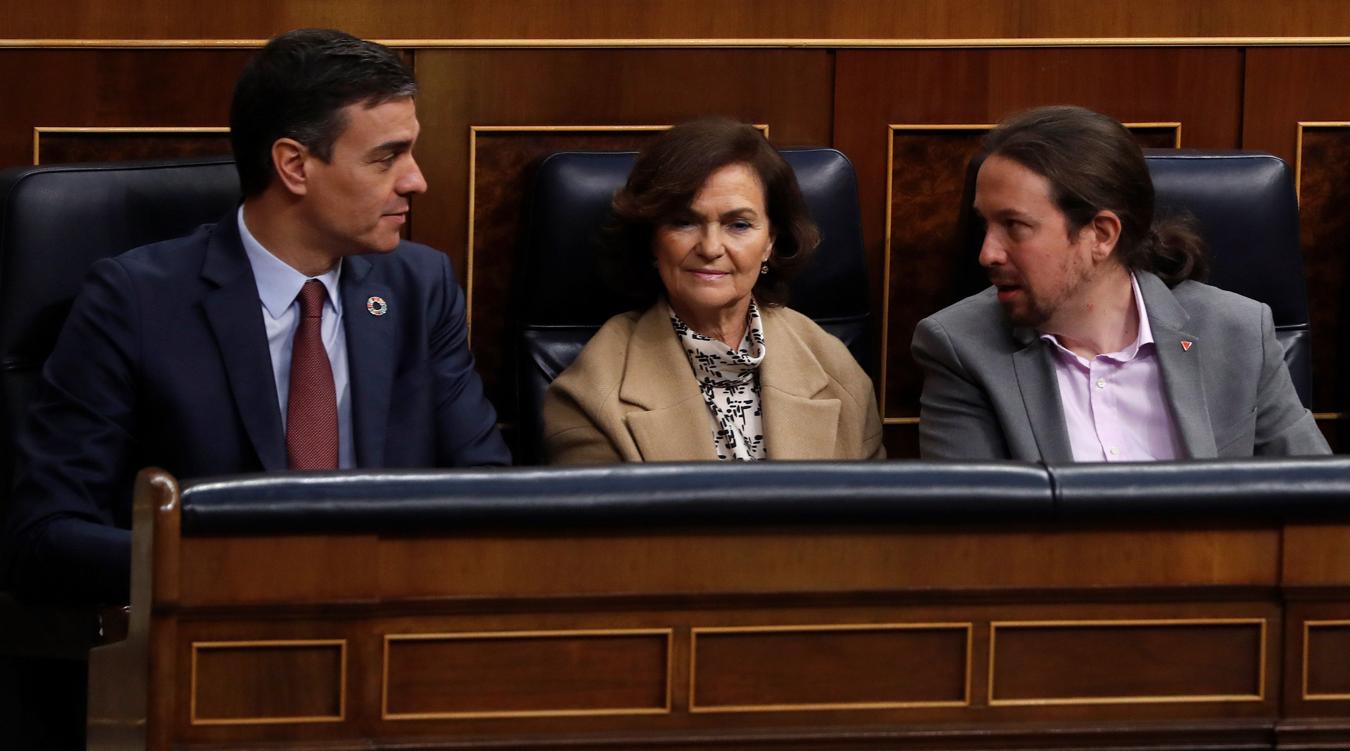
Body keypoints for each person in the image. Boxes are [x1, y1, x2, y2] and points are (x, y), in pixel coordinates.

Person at [7, 29, 509, 608]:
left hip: (395, 635)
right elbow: (43, 537)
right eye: (386, 157)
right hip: (212, 646)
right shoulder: (135, 302)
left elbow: (488, 497)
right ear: (294, 165)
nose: (416, 179)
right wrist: (246, 571)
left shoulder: (422, 287)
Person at [911, 105, 1330, 462]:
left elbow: (1318, 506)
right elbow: (971, 540)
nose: (987, 253)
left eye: (1014, 226)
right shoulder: (960, 348)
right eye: (985, 224)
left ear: (1102, 234)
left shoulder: (1236, 333)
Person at [542, 118, 884, 463]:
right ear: (651, 239)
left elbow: (872, 513)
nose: (710, 247)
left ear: (770, 242)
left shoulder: (835, 369)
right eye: (684, 221)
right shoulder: (592, 391)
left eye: (739, 225)